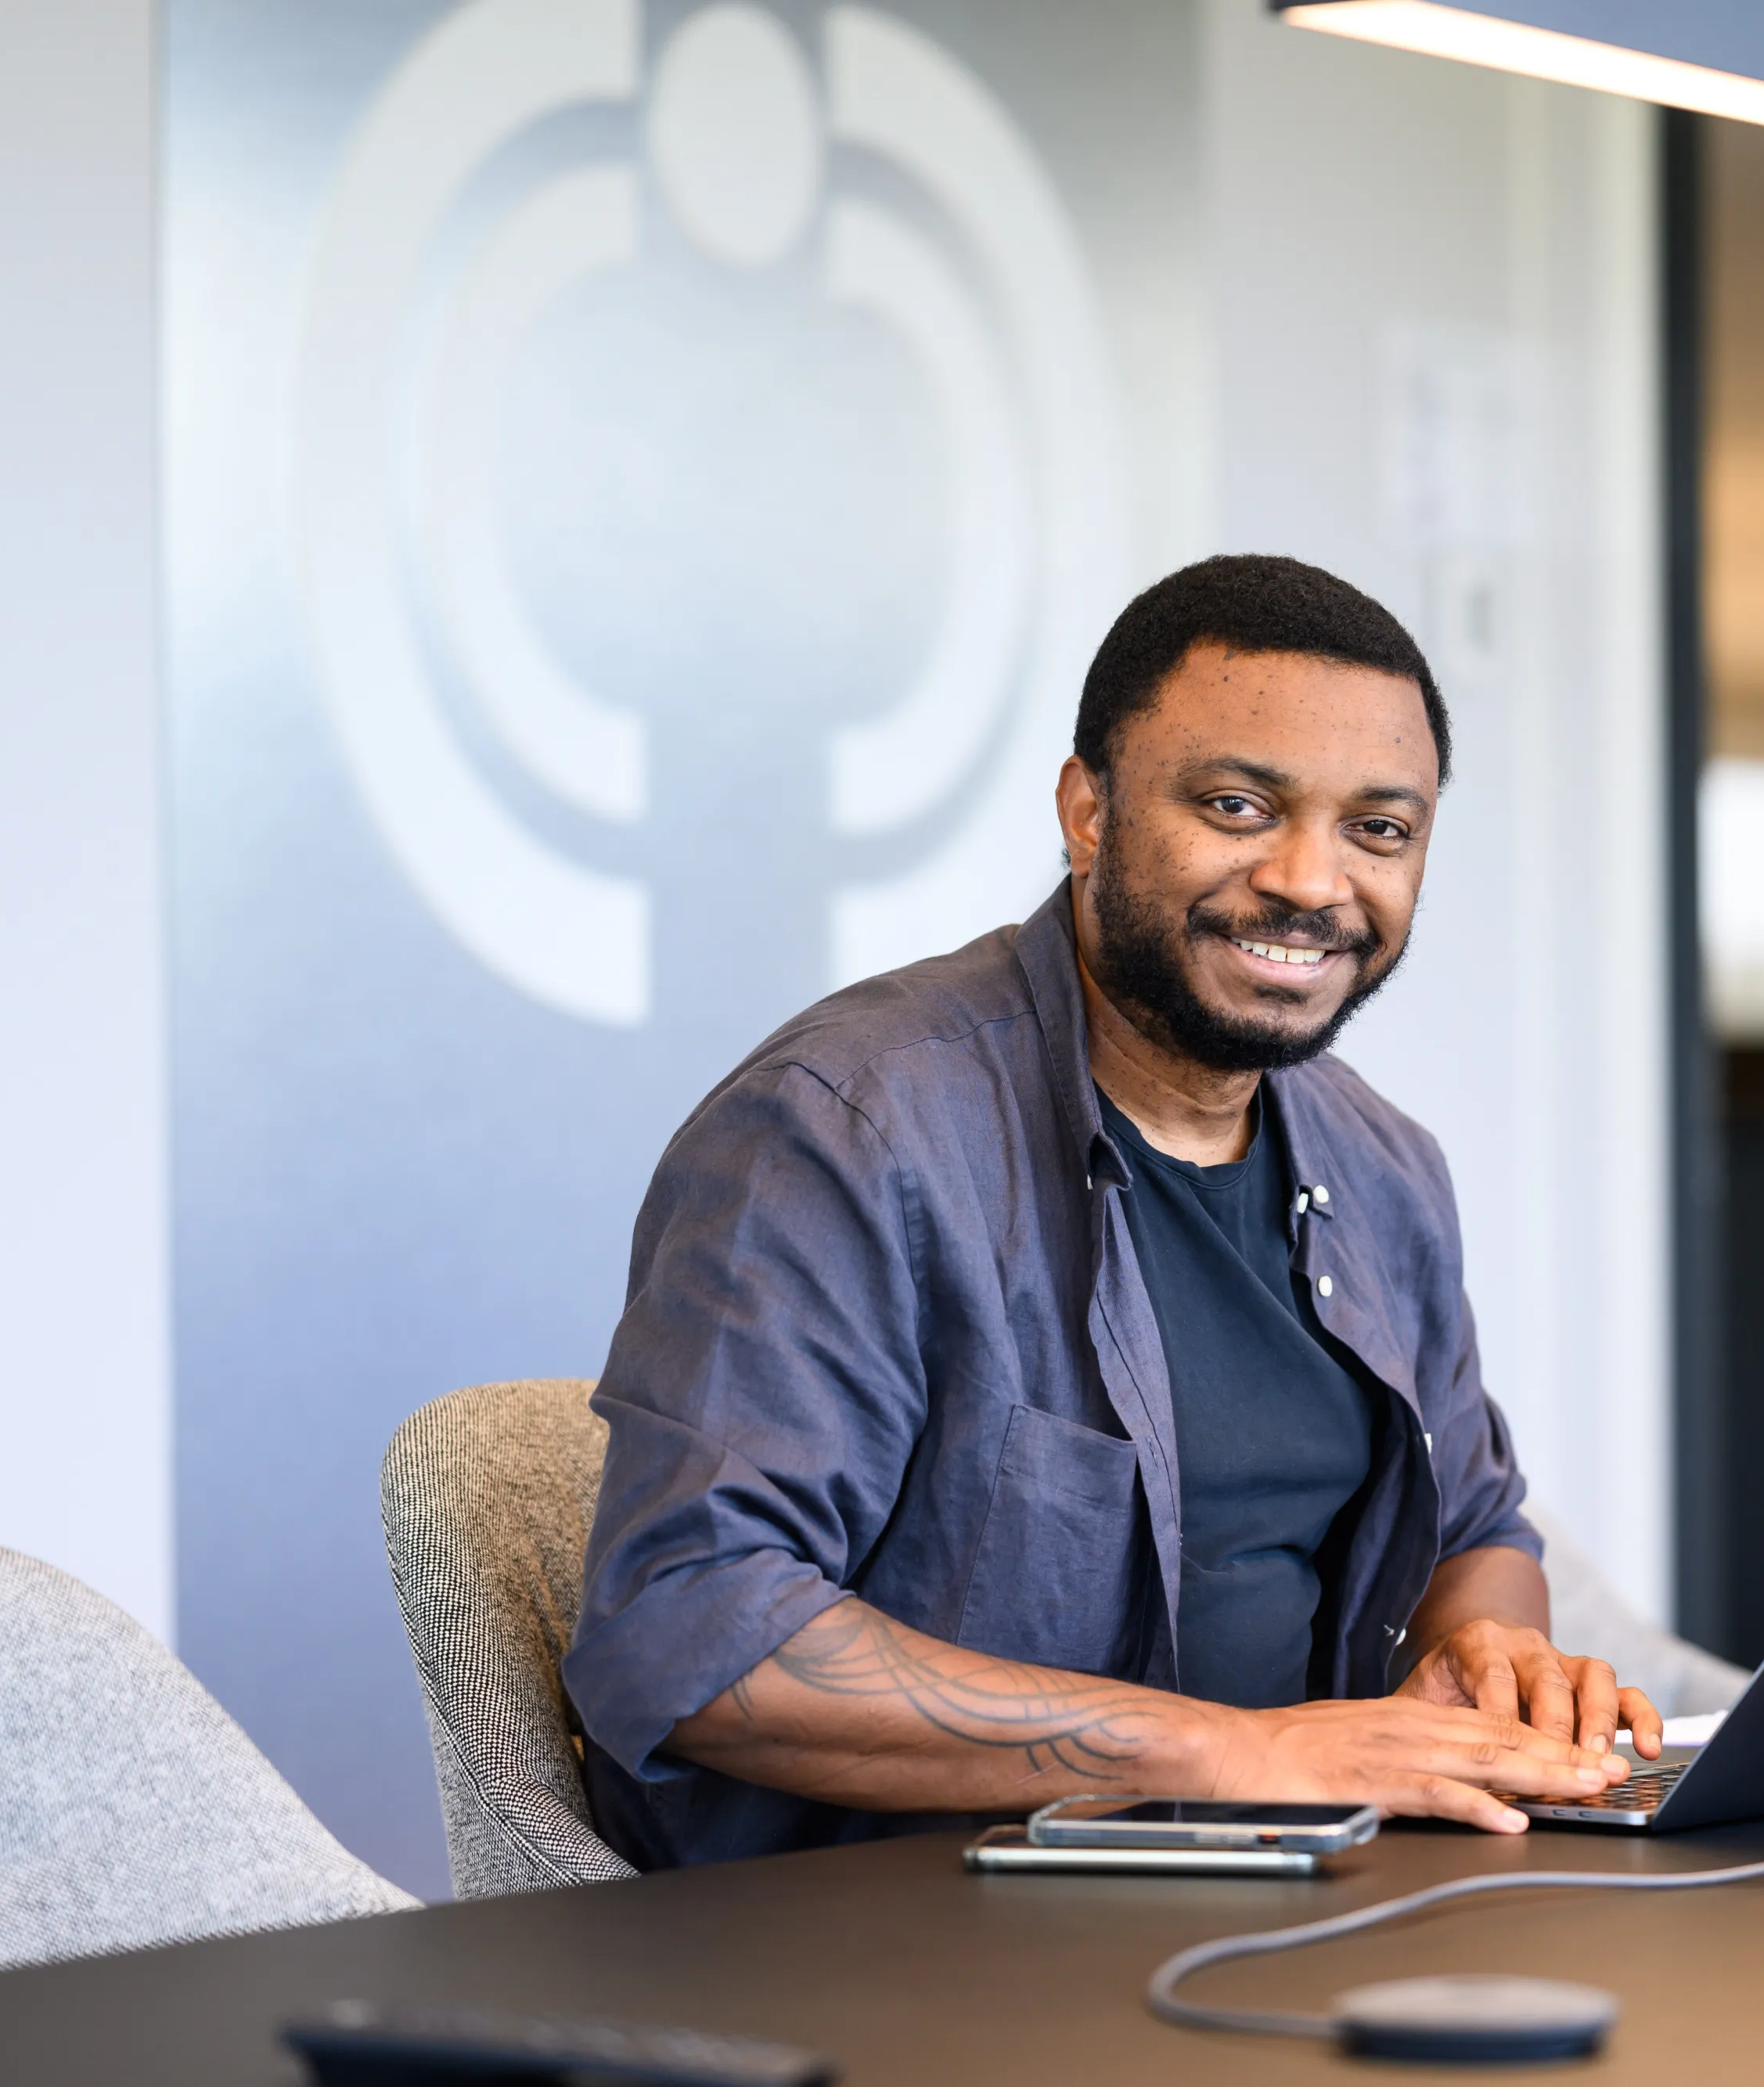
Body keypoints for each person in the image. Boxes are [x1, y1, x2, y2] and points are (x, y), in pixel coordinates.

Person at [566, 554, 1665, 1868]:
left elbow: (1475, 1527)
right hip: (901, 1942)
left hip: (1298, 1893)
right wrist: (1241, 1751)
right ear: (1089, 812)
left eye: (1380, 829)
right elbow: (695, 1624)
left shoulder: (1386, 1169)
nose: (1314, 881)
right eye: (1240, 804)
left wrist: (1491, 1650)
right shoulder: (847, 1128)